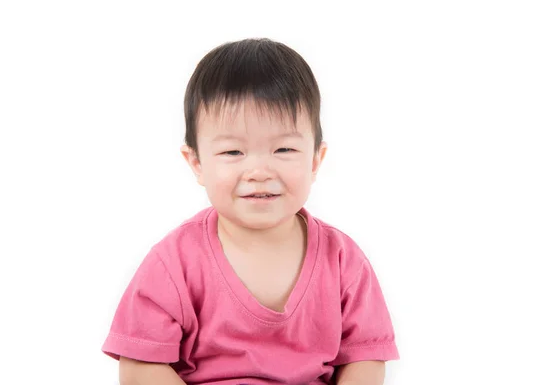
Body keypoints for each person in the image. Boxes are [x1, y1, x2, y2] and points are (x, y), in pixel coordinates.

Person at [102, 38, 399, 385]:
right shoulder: (174, 263)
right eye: (233, 152)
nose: (259, 171)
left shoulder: (343, 261)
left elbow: (366, 358)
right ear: (196, 162)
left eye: (284, 148)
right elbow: (140, 363)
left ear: (316, 159)